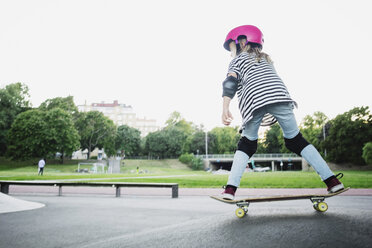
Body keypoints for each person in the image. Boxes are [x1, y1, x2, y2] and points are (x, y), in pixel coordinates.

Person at [220, 25, 344, 200]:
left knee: (247, 144)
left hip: (255, 100)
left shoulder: (237, 61)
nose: (230, 52)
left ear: (241, 42)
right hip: (281, 96)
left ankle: (230, 190)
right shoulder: (267, 59)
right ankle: (332, 181)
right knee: (296, 140)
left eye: (231, 47)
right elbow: (268, 82)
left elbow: (230, 83)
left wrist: (225, 107)